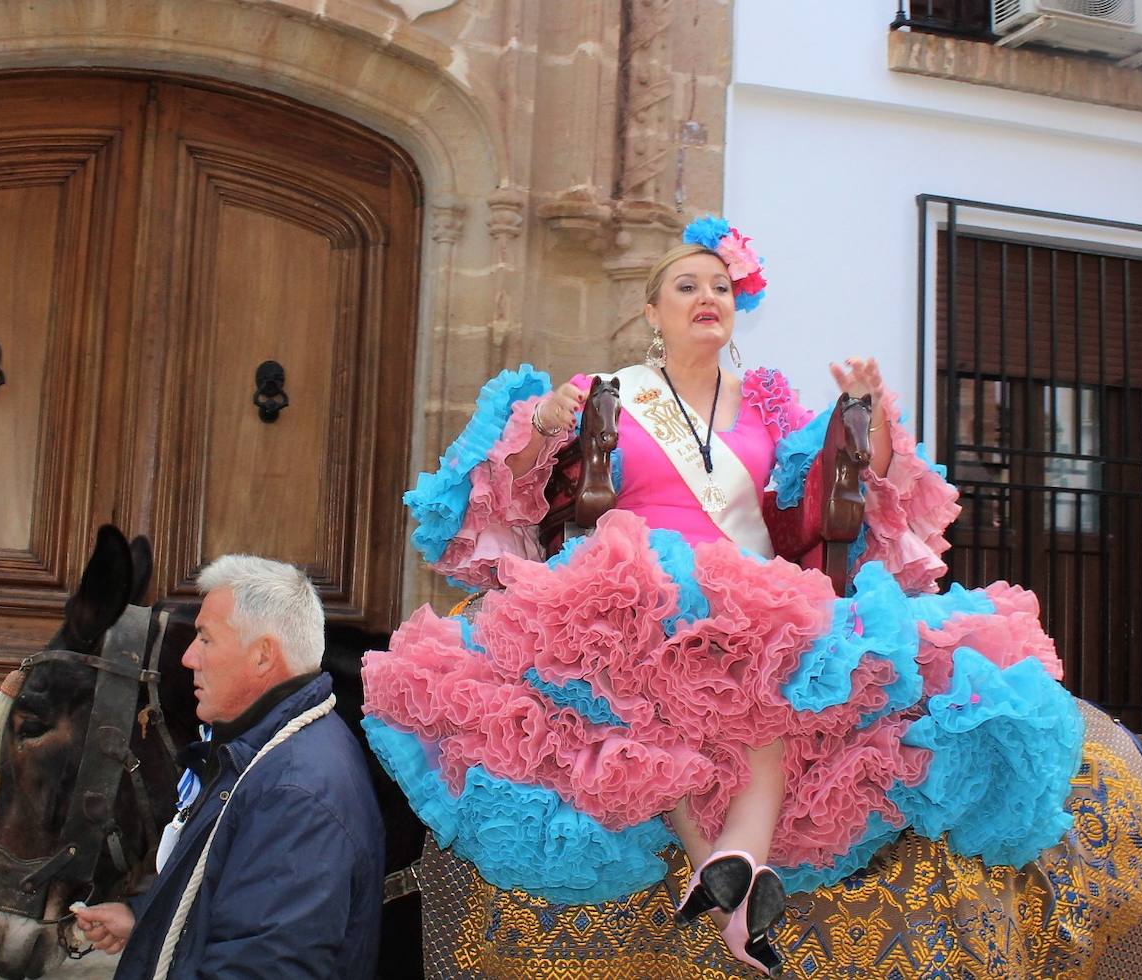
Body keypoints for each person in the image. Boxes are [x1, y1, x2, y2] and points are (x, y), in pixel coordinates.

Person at [361, 216, 1082, 975]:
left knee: (765, 685)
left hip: (754, 597)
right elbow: (517, 484)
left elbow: (829, 483)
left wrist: (864, 416)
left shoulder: (767, 402)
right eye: (687, 285)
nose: (709, 295)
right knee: (659, 702)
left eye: (721, 286)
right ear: (652, 313)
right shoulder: (609, 394)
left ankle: (729, 872)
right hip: (632, 592)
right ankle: (738, 893)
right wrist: (543, 425)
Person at [72, 556, 386, 980]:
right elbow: (240, 887)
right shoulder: (266, 750)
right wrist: (147, 920)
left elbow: (263, 966)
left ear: (262, 656)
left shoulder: (296, 792)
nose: (187, 659)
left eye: (205, 639)